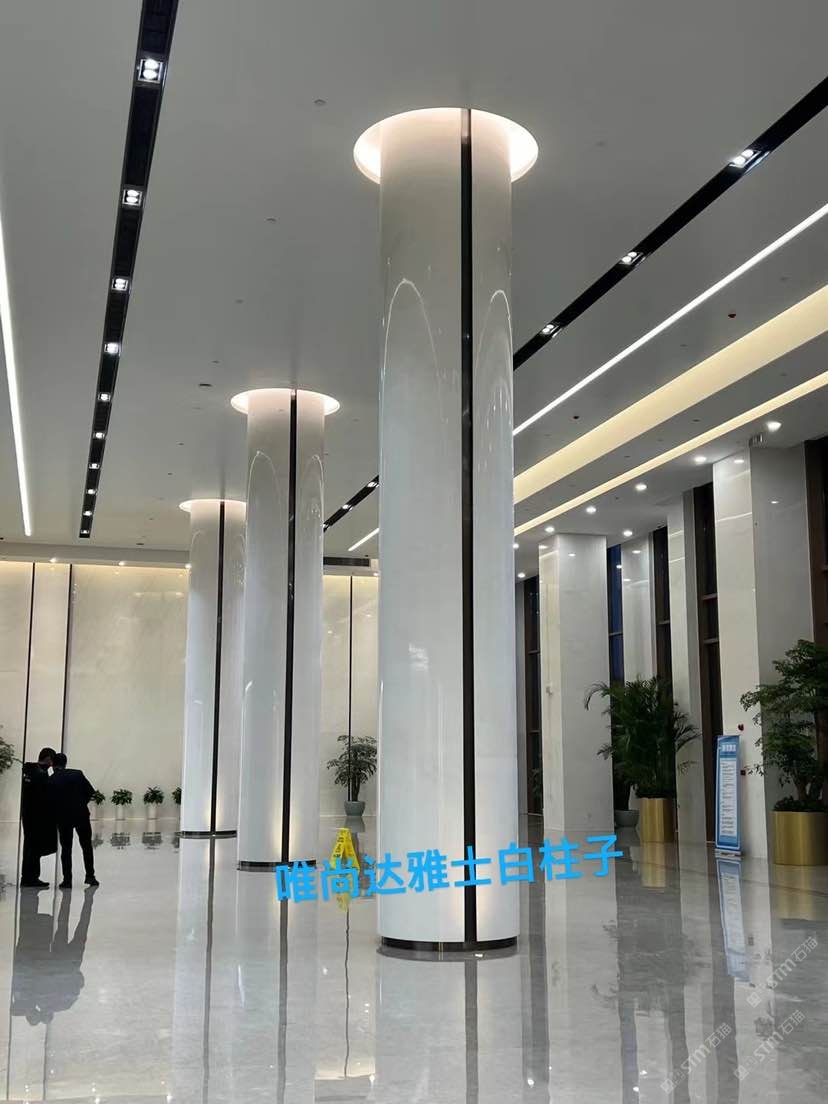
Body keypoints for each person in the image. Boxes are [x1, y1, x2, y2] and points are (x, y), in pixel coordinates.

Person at [49, 753, 99, 889]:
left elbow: (50, 802)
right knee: (86, 846)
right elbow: (90, 792)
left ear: (53, 764)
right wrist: (81, 804)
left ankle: (67, 880)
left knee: (66, 849)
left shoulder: (51, 779)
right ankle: (90, 876)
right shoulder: (77, 774)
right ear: (65, 763)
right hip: (81, 815)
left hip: (63, 818)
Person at [20, 747, 57, 888]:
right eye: (51, 761)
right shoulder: (40, 774)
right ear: (48, 759)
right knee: (34, 848)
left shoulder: (29, 771)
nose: (51, 765)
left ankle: (28, 877)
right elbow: (43, 797)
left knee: (30, 847)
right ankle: (31, 878)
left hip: (28, 815)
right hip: (36, 817)